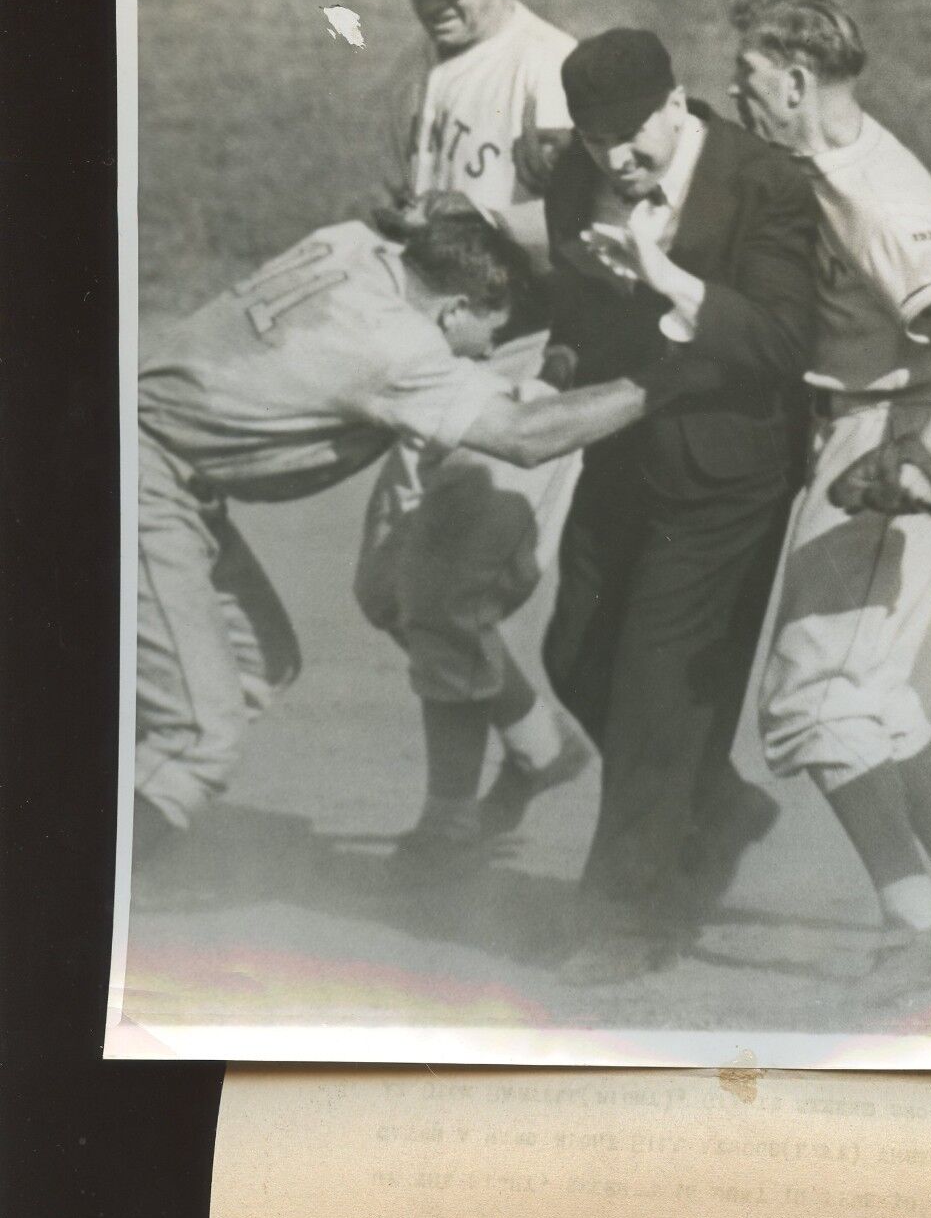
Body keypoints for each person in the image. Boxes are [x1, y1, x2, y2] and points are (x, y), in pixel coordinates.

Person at [133, 213, 685, 868]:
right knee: (201, 733)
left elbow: (407, 223)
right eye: (488, 332)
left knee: (256, 661)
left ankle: (133, 812)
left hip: (156, 465)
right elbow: (523, 436)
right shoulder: (395, 350)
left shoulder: (349, 242)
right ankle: (78, 897)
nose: (485, 352)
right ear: (453, 309)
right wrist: (666, 382)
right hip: (139, 484)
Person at [728, 0, 931, 986]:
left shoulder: (875, 193)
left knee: (811, 699)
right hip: (873, 432)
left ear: (799, 80)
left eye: (749, 80)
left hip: (888, 441)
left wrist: (921, 454)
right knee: (868, 684)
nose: (739, 97)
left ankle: (914, 924)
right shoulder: (826, 158)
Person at [540, 28, 818, 985]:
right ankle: (718, 806)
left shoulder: (765, 184)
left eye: (630, 135)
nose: (617, 158)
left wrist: (675, 284)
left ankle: (628, 921)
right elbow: (574, 306)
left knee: (657, 689)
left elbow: (783, 342)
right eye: (594, 140)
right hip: (622, 448)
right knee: (574, 654)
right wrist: (561, 362)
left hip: (727, 470)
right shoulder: (576, 178)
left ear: (675, 104)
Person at [354, 0, 588, 871]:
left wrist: (485, 222)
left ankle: (450, 818)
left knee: (445, 592)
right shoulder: (416, 66)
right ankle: (536, 743)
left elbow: (602, 233)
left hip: (527, 360)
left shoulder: (550, 70)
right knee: (385, 591)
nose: (438, 1)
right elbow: (409, 199)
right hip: (430, 357)